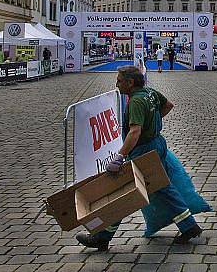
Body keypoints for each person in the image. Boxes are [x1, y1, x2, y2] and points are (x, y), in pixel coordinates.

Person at [76, 66, 203, 250]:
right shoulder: (150, 93)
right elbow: (168, 105)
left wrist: (120, 156)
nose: (117, 84)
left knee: (124, 191)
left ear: (130, 82)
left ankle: (102, 236)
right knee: (163, 187)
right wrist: (153, 121)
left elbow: (135, 132)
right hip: (157, 144)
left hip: (143, 149)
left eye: (119, 80)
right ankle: (189, 226)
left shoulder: (135, 101)